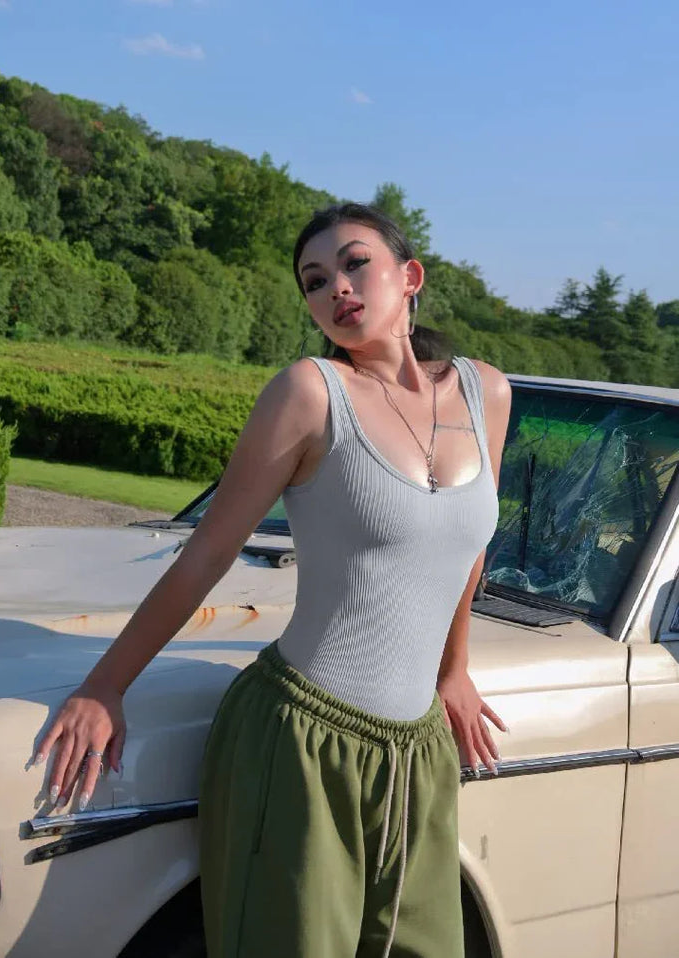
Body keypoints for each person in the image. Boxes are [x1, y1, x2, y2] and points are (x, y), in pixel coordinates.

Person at [33, 203, 512, 958]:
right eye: (315, 281)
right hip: (299, 741)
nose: (337, 290)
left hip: (418, 753)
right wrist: (106, 685)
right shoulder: (310, 392)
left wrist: (455, 670)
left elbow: (465, 549)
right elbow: (209, 551)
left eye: (356, 264)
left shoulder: (487, 393)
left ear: (410, 276)